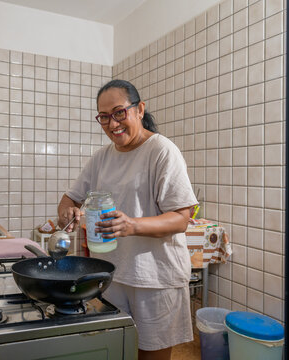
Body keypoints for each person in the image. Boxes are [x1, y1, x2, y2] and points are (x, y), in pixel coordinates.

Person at [57, 79, 198, 360]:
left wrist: (132, 225)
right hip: (110, 275)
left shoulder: (161, 151)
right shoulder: (101, 158)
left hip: (155, 277)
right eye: (104, 117)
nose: (112, 124)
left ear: (139, 109)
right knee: (112, 352)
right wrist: (68, 213)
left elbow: (181, 219)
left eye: (119, 112)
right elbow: (69, 199)